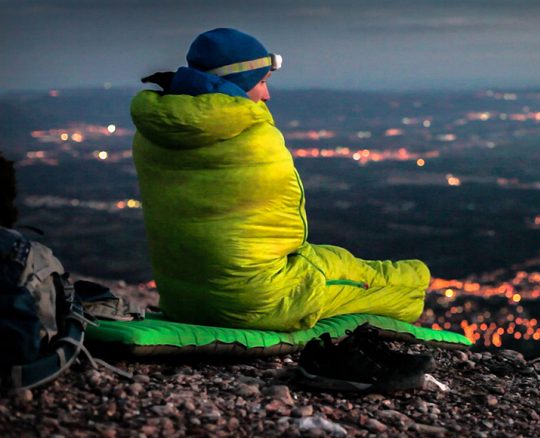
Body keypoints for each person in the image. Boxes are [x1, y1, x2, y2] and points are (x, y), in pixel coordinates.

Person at [131, 28, 430, 331]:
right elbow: (292, 230)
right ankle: (420, 282)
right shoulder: (252, 136)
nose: (266, 95)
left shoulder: (150, 135)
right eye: (261, 82)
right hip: (257, 302)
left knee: (333, 260)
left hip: (182, 300)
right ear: (235, 83)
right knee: (389, 285)